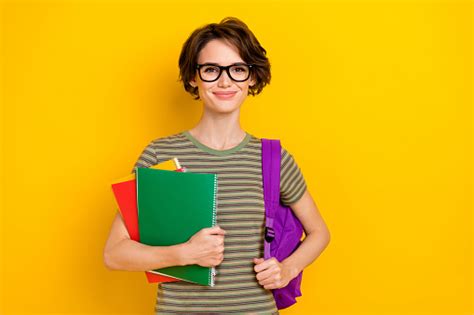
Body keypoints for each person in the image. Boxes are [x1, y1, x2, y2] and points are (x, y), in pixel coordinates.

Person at [103, 16, 331, 314]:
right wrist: (184, 253)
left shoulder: (273, 158)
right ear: (193, 78)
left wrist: (287, 269)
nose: (225, 81)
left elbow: (320, 233)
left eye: (237, 69)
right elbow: (115, 254)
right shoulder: (160, 155)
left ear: (252, 78)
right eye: (211, 70)